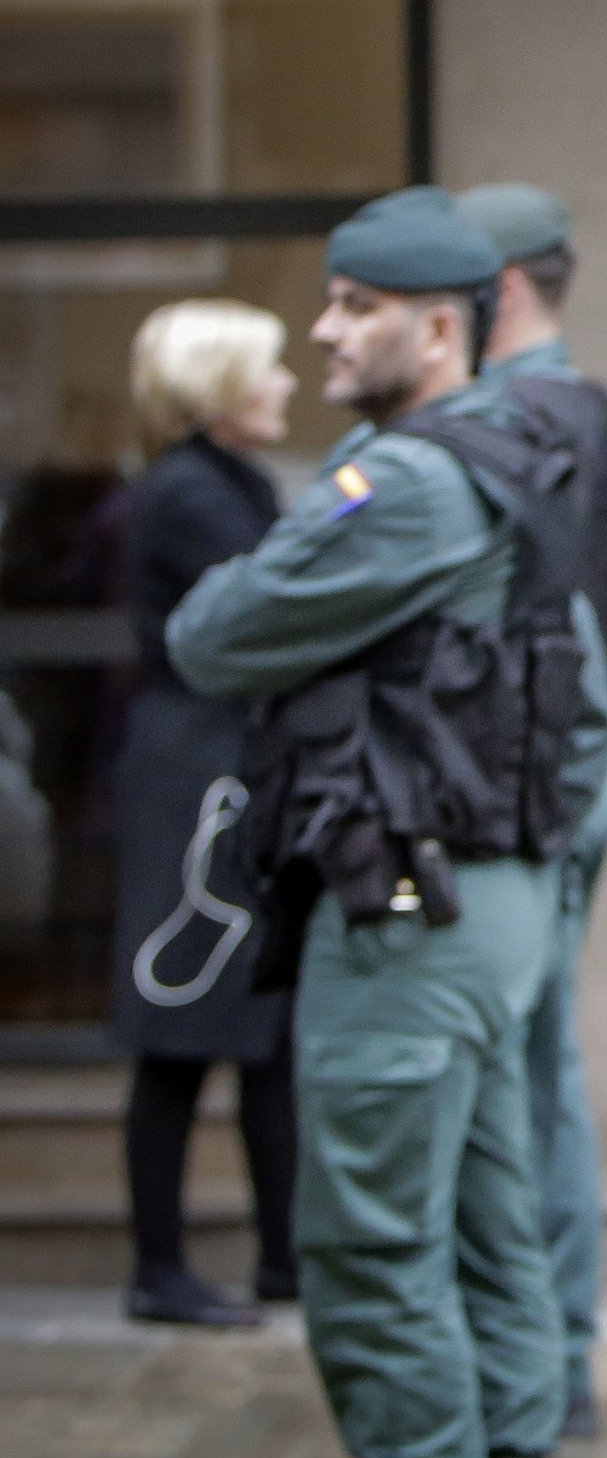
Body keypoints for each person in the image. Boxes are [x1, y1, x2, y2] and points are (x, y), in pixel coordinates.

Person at [172, 187, 597, 1458]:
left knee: (371, 1240)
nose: (322, 328)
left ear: (438, 324)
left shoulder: (406, 485)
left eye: (353, 306)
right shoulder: (526, 458)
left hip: (406, 915)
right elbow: (591, 731)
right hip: (493, 906)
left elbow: (212, 634)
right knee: (490, 1237)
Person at [459, 183, 607, 1441]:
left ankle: (548, 1364)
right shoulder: (587, 411)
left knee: (531, 1083)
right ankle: (552, 1358)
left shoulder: (525, 418)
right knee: (539, 1071)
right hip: (570, 773)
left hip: (542, 785)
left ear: (502, 289)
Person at [110, 301, 302, 1328]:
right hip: (197, 775)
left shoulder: (226, 483)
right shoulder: (191, 494)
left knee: (261, 1027)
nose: (287, 386)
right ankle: (160, 1269)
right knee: (181, 1024)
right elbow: (278, 597)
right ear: (220, 385)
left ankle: (282, 1252)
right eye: (267, 370)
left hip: (224, 768)